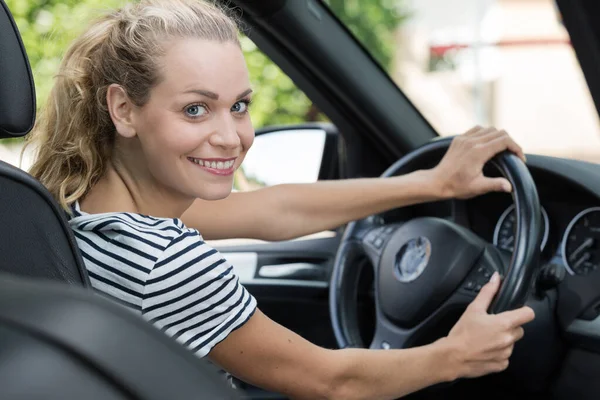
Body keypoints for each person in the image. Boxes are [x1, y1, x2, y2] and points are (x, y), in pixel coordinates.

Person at [26, 1, 535, 399]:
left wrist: (432, 183)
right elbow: (333, 383)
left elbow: (276, 209)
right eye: (196, 109)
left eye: (239, 106)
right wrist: (457, 356)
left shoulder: (79, 209)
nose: (231, 137)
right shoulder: (165, 260)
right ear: (123, 109)